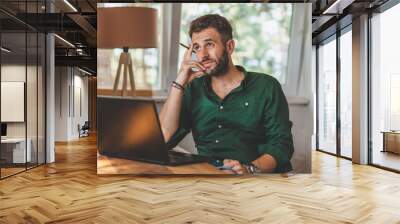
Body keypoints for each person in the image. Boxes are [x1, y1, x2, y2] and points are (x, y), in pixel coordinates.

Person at [159, 14, 294, 174]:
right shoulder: (193, 88)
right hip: (210, 178)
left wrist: (249, 169)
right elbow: (163, 139)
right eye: (196, 47)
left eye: (209, 44)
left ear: (229, 47)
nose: (202, 55)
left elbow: (281, 145)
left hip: (257, 179)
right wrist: (180, 80)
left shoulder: (266, 86)